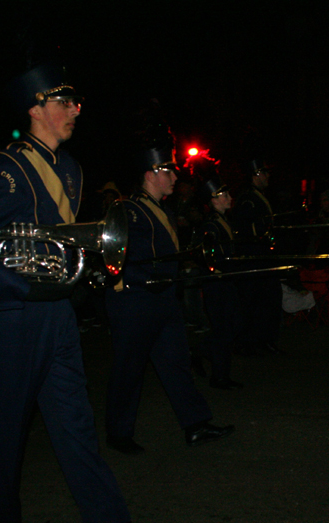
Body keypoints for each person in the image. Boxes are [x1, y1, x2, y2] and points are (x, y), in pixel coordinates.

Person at [0, 63, 132, 523]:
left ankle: (107, 519)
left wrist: (82, 271)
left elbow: (61, 240)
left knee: (76, 424)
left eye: (75, 102)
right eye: (64, 102)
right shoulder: (6, 169)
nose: (75, 110)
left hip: (58, 317)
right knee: (6, 436)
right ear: (35, 109)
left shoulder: (70, 169)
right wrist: (22, 281)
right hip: (15, 319)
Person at [104, 125, 234, 455]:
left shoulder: (162, 208)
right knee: (129, 370)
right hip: (136, 301)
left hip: (162, 299)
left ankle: (195, 424)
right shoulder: (128, 209)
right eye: (169, 171)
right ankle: (119, 434)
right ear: (151, 174)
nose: (175, 178)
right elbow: (119, 255)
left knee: (176, 364)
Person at [232, 158, 283, 356]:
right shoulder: (248, 198)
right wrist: (265, 230)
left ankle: (264, 340)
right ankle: (252, 342)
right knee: (256, 302)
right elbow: (245, 228)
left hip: (263, 257)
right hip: (254, 258)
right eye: (264, 172)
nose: (268, 176)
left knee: (267, 301)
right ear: (256, 175)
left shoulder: (257, 196)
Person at [196, 176, 243, 390]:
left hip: (227, 281)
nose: (230, 198)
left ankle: (199, 352)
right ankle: (219, 376)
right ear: (213, 200)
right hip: (218, 283)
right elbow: (210, 257)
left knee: (229, 327)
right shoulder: (210, 224)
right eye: (225, 195)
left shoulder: (224, 220)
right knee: (223, 329)